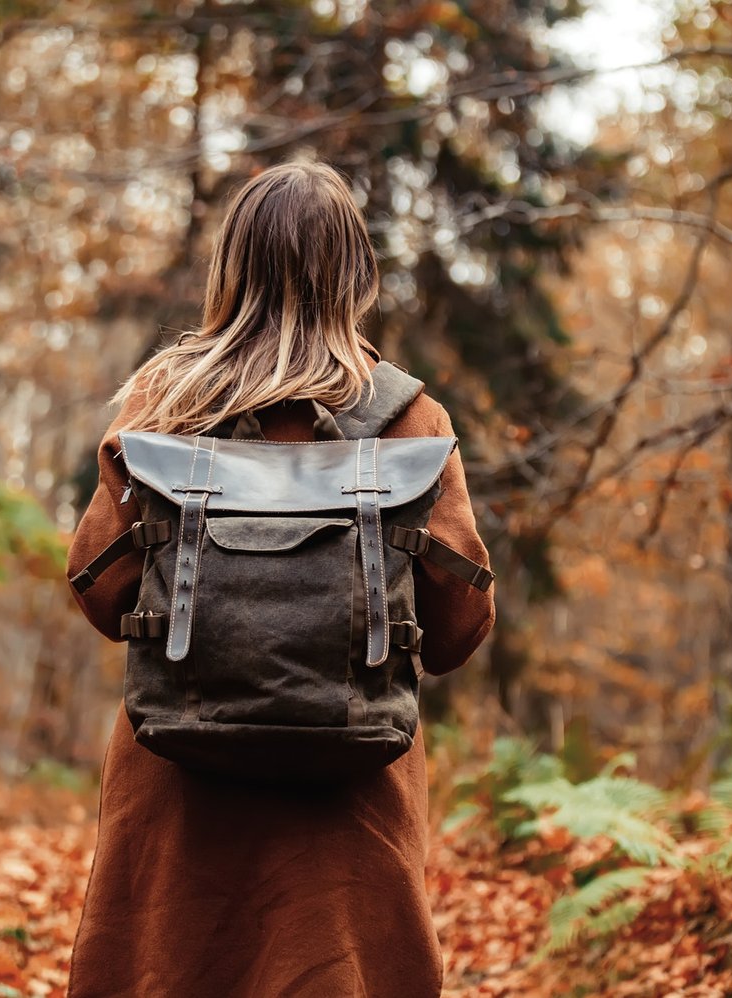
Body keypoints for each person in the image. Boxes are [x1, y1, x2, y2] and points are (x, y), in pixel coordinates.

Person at [64, 160, 495, 997]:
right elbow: (454, 632)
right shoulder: (409, 418)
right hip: (349, 797)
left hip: (180, 782)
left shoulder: (162, 404)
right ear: (353, 274)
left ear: (231, 269)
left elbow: (99, 588)